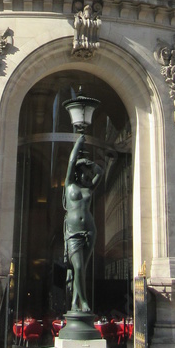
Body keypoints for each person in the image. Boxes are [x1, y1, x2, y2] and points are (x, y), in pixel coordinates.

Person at [63, 133, 103, 313]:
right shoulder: (69, 184)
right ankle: (84, 302)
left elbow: (101, 172)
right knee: (78, 267)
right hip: (73, 232)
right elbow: (71, 162)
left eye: (87, 171)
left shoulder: (89, 188)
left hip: (89, 230)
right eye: (83, 171)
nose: (86, 174)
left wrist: (91, 164)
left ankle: (74, 303)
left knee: (82, 269)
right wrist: (78, 144)